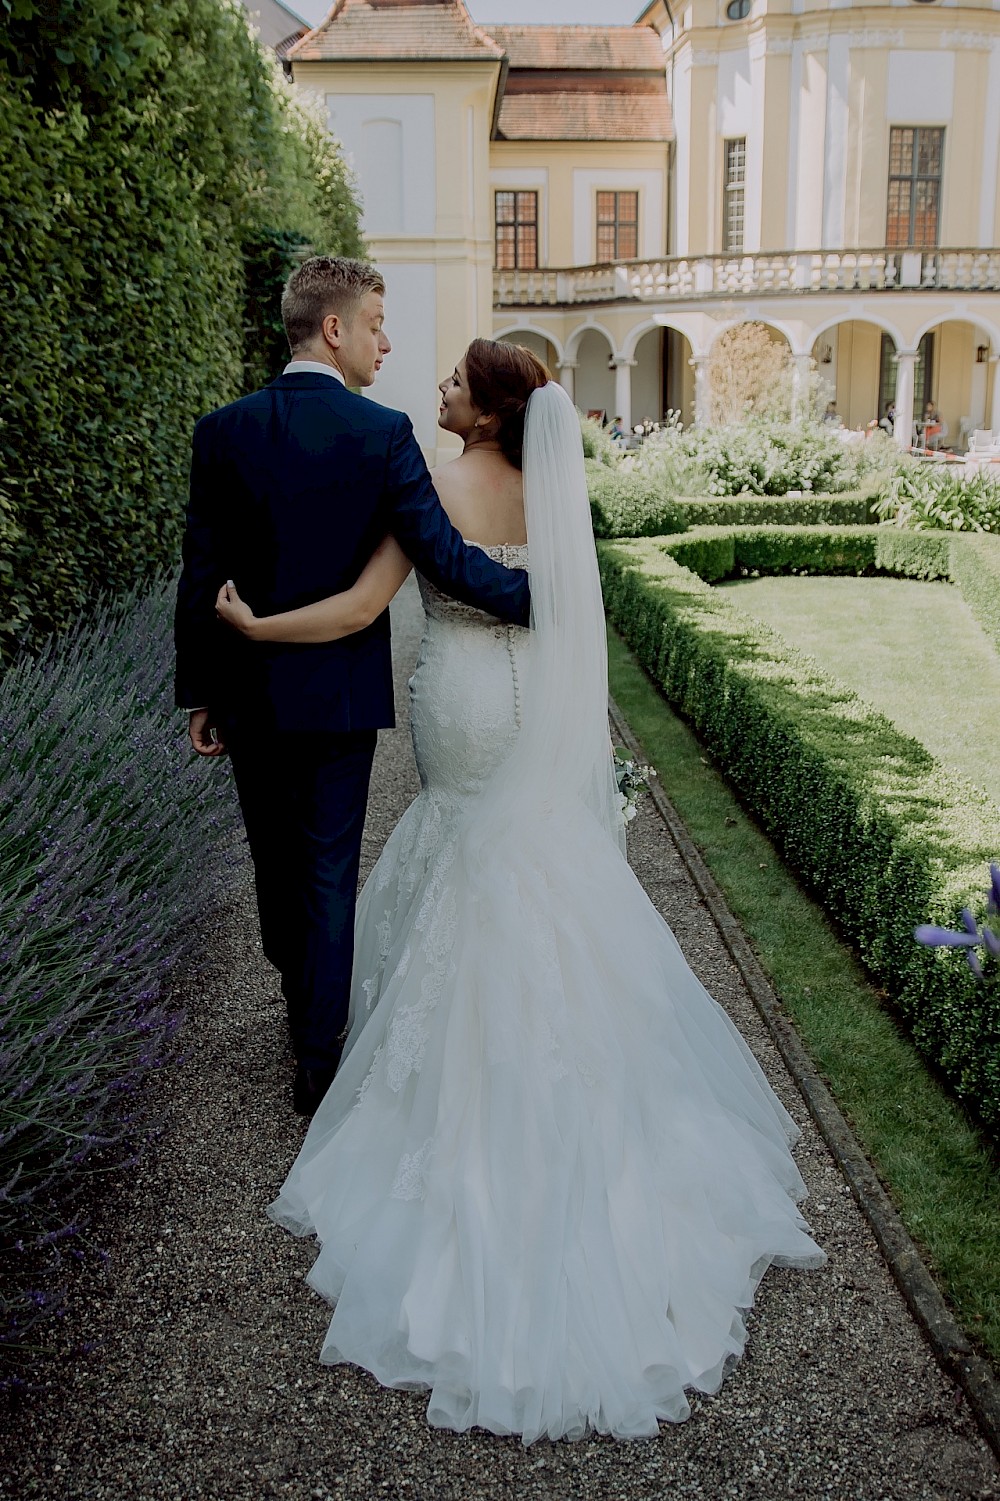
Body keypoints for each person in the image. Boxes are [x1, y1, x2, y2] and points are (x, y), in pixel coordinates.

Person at [216, 339, 825, 1444]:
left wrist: (255, 628)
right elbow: (560, 610)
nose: (435, 390)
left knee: (457, 848)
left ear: (486, 415)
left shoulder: (423, 478)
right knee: (535, 860)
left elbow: (359, 610)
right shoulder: (548, 485)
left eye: (454, 382)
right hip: (527, 696)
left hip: (458, 694)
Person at [174, 259, 529, 1118]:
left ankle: (304, 1001)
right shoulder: (383, 434)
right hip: (338, 705)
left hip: (251, 696)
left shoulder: (222, 430)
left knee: (274, 867)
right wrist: (547, 597)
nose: (386, 339)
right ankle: (316, 1058)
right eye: (376, 321)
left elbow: (202, 572)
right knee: (330, 874)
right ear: (334, 329)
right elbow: (445, 559)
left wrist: (202, 695)